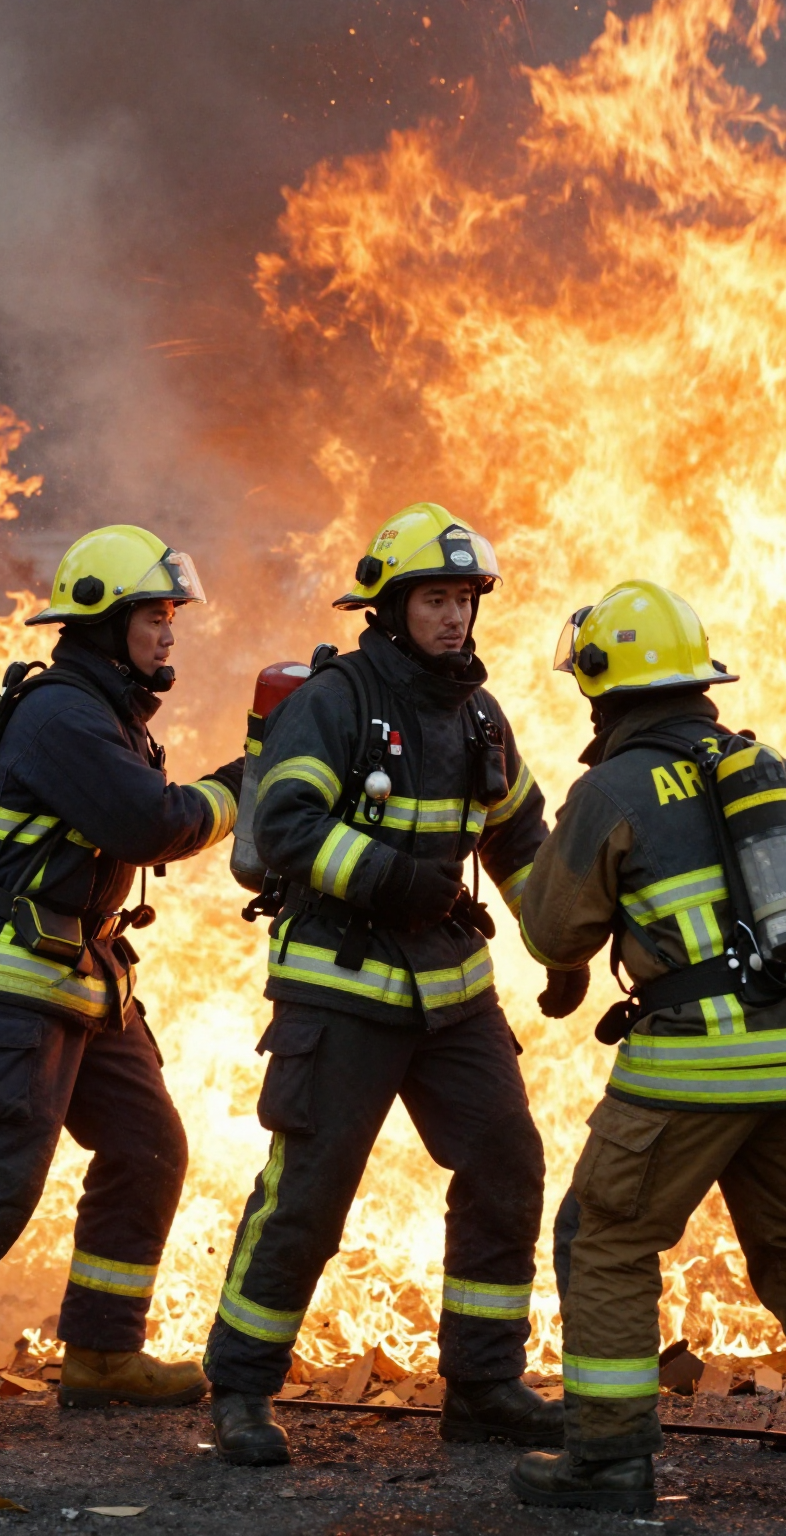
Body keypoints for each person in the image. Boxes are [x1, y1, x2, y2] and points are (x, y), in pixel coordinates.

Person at [509, 581, 786, 1514]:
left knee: (608, 1238)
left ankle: (610, 1461)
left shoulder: (610, 788)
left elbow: (552, 934)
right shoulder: (774, 770)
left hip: (695, 1062)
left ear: (601, 686)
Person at [0, 524, 242, 1442]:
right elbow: (150, 824)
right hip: (15, 974)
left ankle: (103, 1352)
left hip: (81, 973)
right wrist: (245, 784)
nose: (168, 632)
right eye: (153, 615)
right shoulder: (64, 715)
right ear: (105, 623)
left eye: (170, 615)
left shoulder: (107, 712)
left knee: (148, 1147)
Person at [203, 501, 564, 1468]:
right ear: (389, 605)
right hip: (340, 991)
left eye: (463, 600)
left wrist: (562, 942)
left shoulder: (481, 713)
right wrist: (393, 877)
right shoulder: (338, 701)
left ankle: (483, 1383)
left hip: (454, 999)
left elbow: (521, 839)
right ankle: (241, 1387)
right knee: (308, 1195)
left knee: (507, 1167)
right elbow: (283, 823)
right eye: (434, 599)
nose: (453, 617)